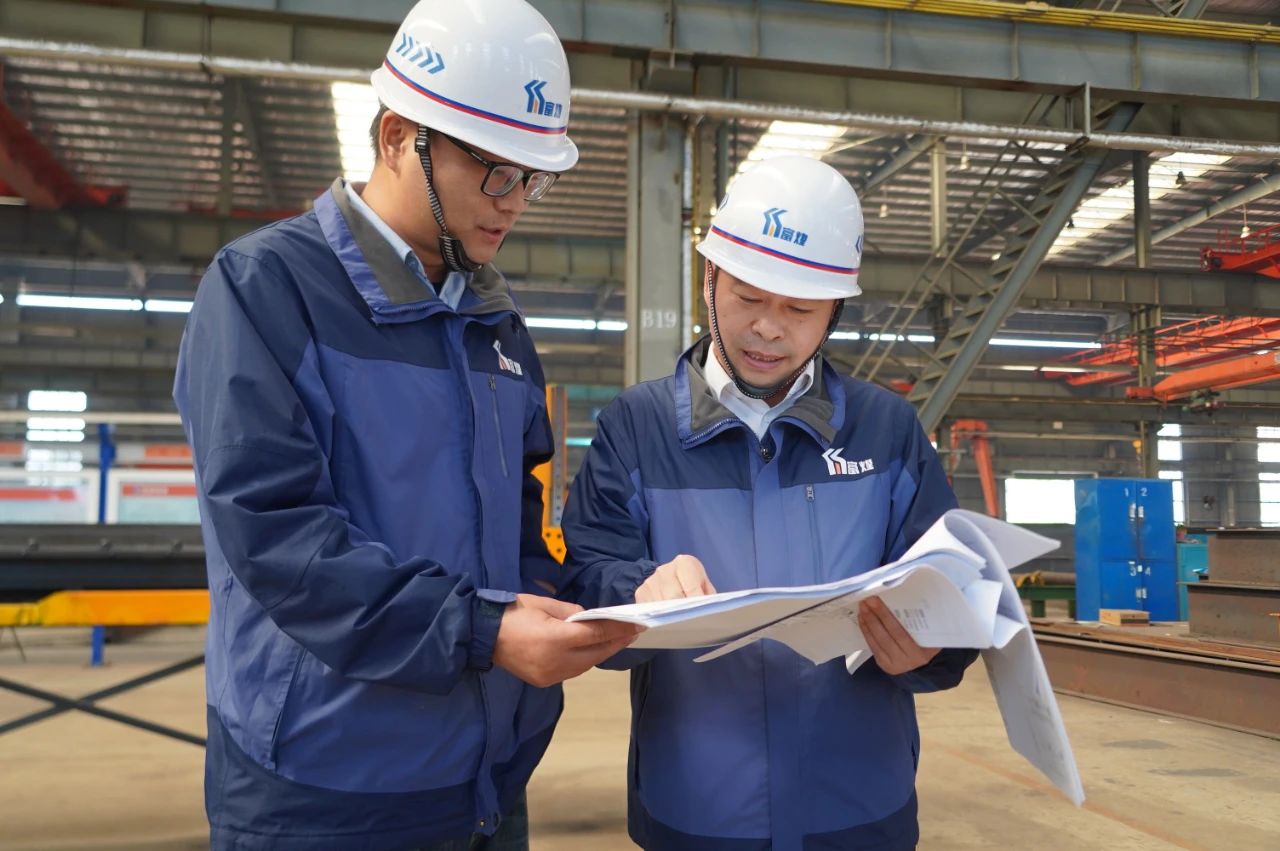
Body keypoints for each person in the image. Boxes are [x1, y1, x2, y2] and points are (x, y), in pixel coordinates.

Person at [173, 1, 638, 848]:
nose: (514, 203)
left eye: (531, 179)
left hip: (487, 778)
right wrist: (484, 631)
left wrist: (631, 596)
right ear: (397, 136)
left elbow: (527, 538)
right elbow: (278, 536)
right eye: (495, 172)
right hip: (325, 787)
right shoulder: (267, 289)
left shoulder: (497, 325)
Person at [559, 156, 977, 850]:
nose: (768, 329)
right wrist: (638, 591)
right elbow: (584, 580)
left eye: (799, 310)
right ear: (709, 277)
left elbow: (952, 594)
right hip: (697, 810)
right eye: (749, 297)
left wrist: (931, 649)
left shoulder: (887, 429)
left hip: (859, 810)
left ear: (834, 311)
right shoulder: (637, 427)